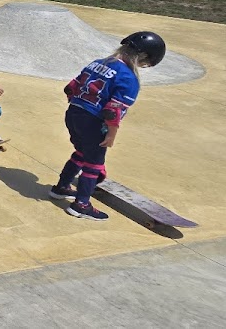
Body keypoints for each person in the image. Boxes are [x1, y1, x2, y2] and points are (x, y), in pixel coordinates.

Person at [50, 31, 166, 221]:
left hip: (73, 114)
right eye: (145, 64)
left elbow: (70, 87)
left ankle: (61, 187)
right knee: (93, 164)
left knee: (80, 152)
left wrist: (80, 108)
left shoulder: (97, 63)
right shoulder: (129, 78)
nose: (143, 67)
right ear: (143, 57)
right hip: (93, 122)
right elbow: (113, 111)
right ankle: (81, 205)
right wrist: (111, 135)